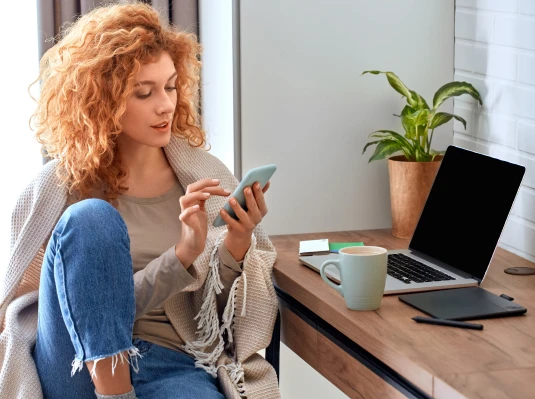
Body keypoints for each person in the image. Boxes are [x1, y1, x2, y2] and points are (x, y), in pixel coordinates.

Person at [0, 3, 280, 399]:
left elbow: (218, 325)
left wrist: (236, 243)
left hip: (172, 362)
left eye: (170, 86)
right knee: (92, 219)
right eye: (144, 92)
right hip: (74, 363)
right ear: (102, 101)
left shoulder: (203, 176)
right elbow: (89, 310)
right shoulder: (59, 187)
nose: (165, 104)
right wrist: (181, 256)